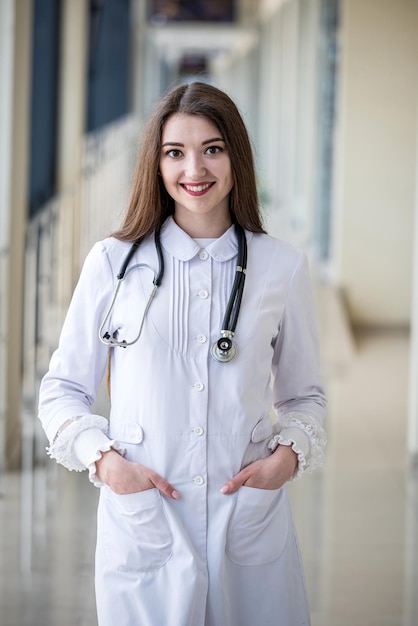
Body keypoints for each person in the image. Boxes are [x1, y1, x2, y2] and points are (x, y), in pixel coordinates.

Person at [38, 81, 327, 626]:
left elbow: (305, 396)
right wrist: (106, 462)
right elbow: (62, 392)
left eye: (212, 149)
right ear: (157, 163)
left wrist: (285, 460)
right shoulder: (112, 263)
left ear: (236, 157)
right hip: (145, 522)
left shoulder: (280, 268)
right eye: (175, 153)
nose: (194, 169)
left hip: (246, 520)